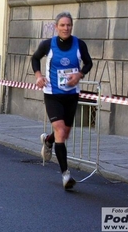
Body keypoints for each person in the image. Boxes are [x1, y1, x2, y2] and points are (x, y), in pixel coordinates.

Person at [31, 11, 93, 190]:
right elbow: (35, 58)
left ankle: (48, 141)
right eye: (63, 25)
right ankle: (66, 175)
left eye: (69, 25)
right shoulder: (48, 45)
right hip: (52, 94)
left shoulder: (79, 44)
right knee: (60, 129)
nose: (66, 28)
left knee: (64, 134)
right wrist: (38, 76)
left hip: (71, 94)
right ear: (56, 26)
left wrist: (79, 74)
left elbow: (88, 63)